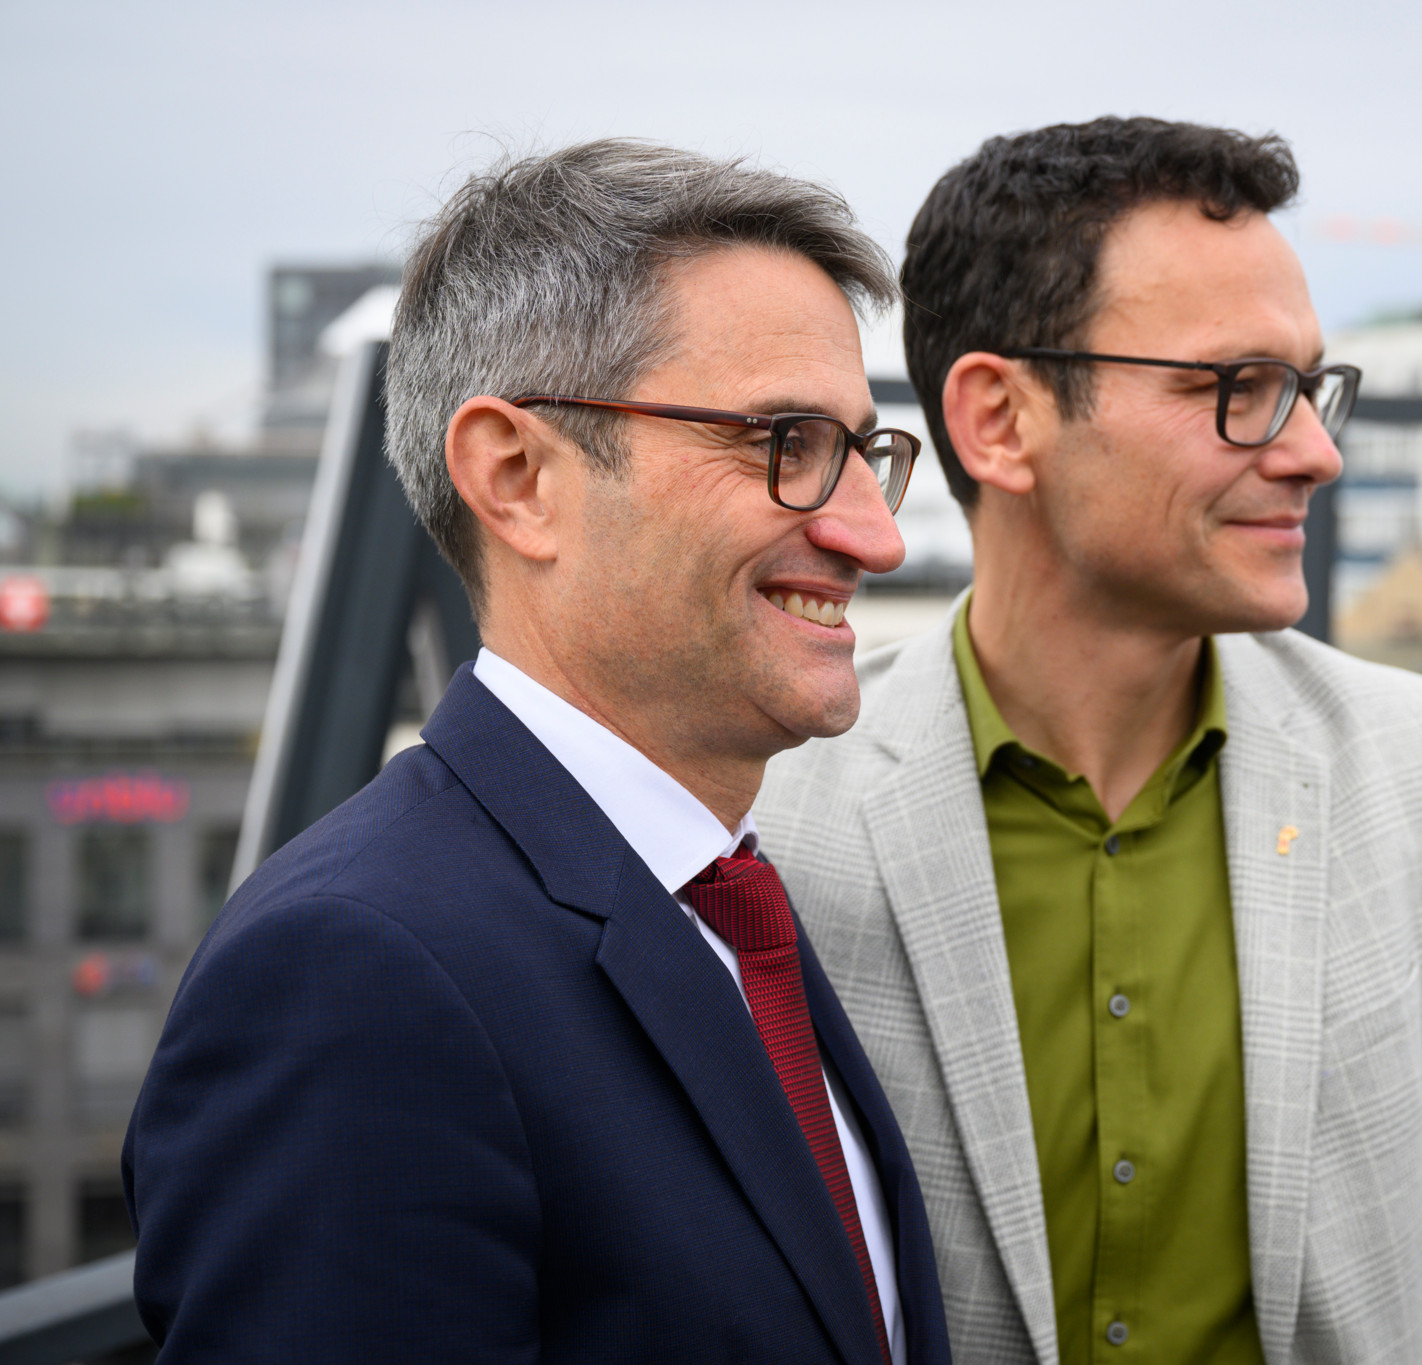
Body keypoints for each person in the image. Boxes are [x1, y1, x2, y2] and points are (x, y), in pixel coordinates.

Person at [757, 117, 1422, 1364]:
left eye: (1308, 387)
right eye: (1236, 390)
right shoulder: (775, 815)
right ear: (998, 419)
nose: (1314, 452)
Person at [124, 140, 950, 1365]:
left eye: (864, 453)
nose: (874, 536)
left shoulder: (728, 904)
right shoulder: (353, 977)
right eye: (784, 442)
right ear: (515, 477)